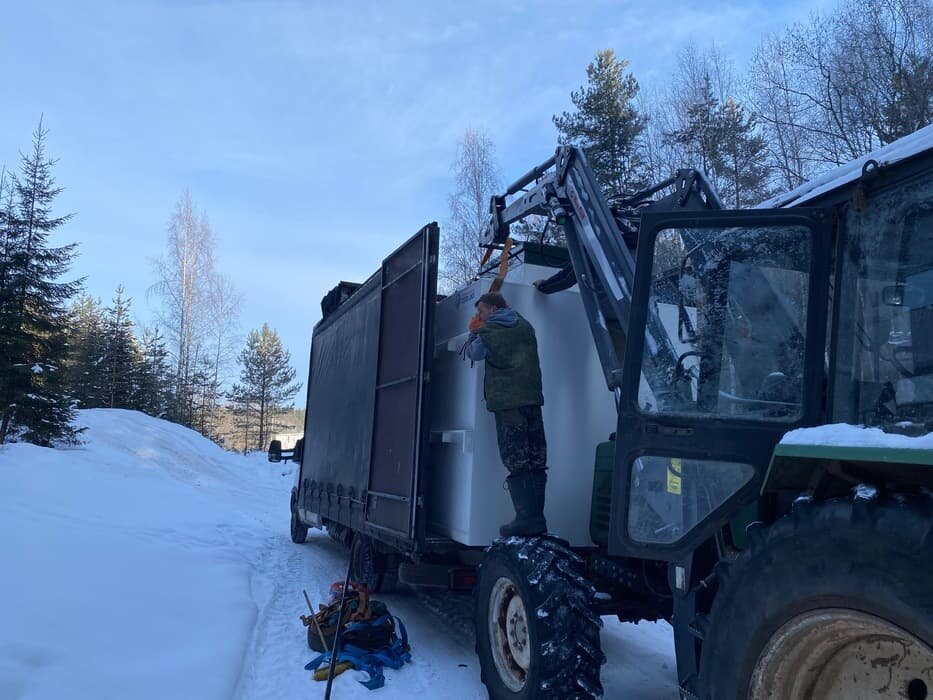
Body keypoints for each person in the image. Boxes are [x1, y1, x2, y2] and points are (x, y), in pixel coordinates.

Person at [465, 292, 548, 537]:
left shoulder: (489, 331)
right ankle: (537, 517)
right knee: (536, 457)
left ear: (492, 309)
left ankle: (525, 519)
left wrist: (474, 332)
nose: (478, 316)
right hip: (532, 400)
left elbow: (474, 354)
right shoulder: (525, 326)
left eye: (480, 311)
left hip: (508, 404)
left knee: (516, 458)